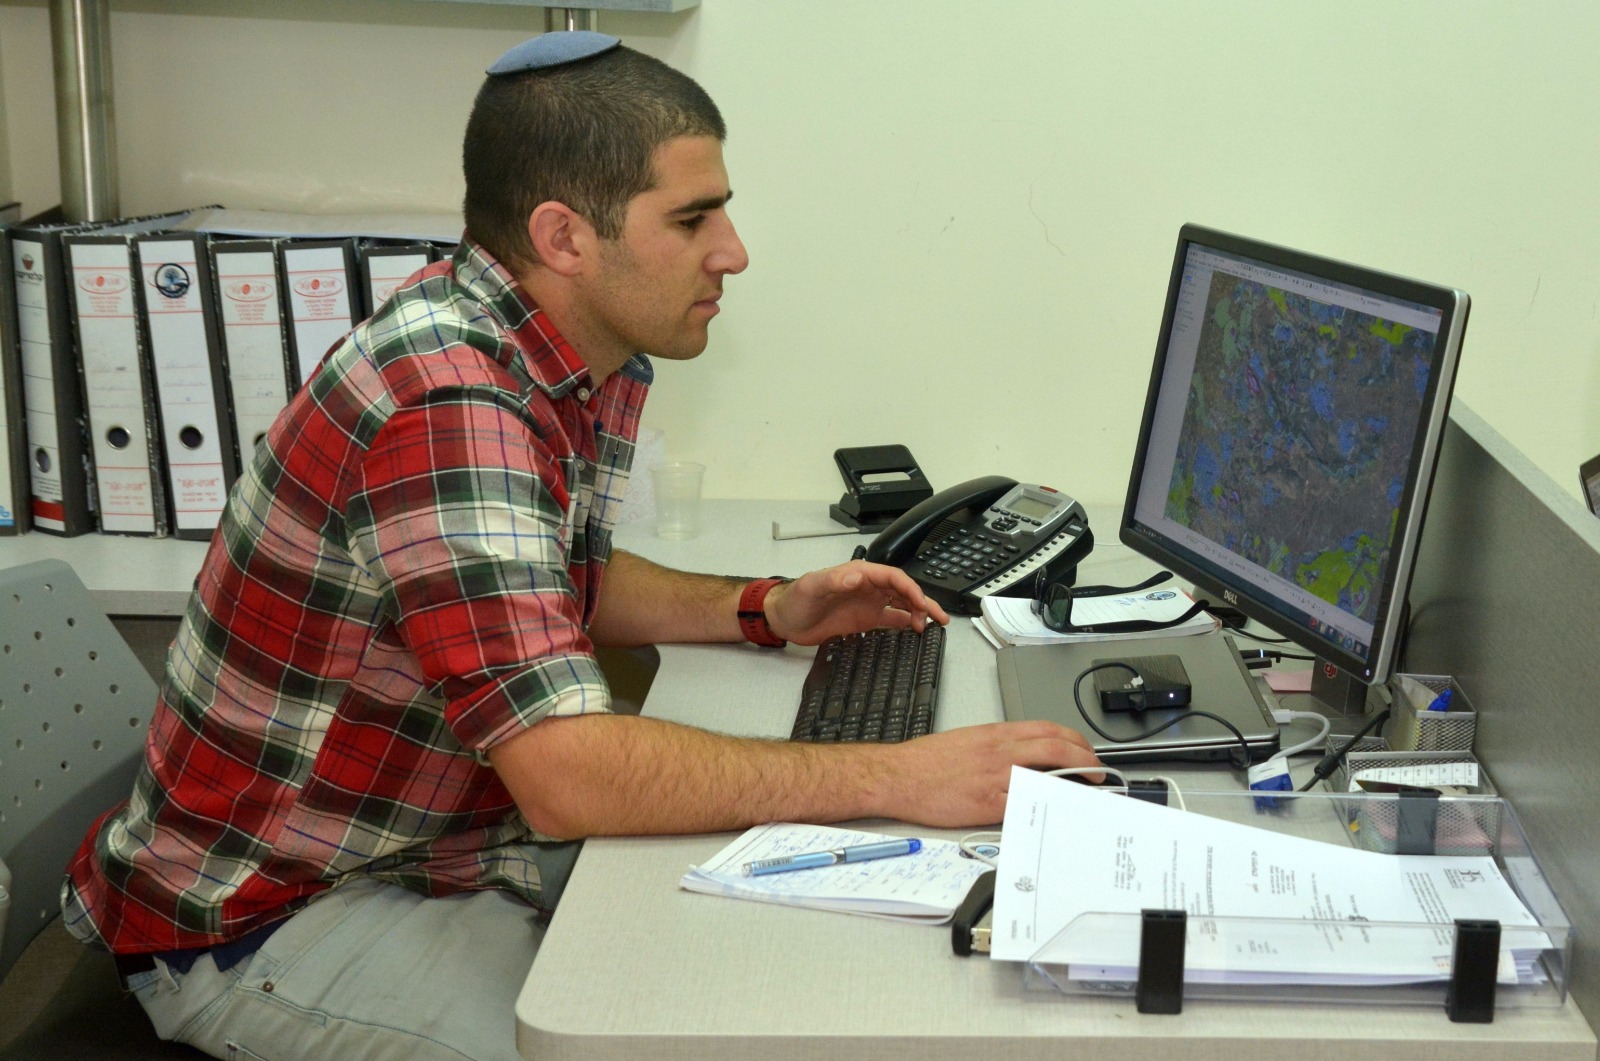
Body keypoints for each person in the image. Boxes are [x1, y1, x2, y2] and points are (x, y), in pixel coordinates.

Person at [62, 32, 1100, 1061]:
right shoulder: (451, 399)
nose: (732, 249)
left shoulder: (553, 351)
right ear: (563, 236)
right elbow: (568, 778)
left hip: (432, 851)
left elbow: (546, 581)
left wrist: (766, 607)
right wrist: (896, 774)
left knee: (757, 961)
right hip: (266, 920)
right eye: (694, 218)